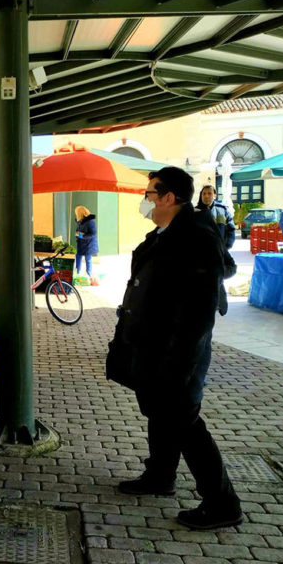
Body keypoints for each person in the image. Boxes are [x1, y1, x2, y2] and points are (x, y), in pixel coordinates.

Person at [106, 167, 242, 530]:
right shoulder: (168, 233)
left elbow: (197, 314)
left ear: (168, 198)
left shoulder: (194, 238)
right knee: (159, 412)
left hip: (178, 352)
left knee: (185, 423)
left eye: (150, 194)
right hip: (154, 347)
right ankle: (160, 476)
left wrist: (178, 364)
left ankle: (222, 503)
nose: (145, 201)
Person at [195, 185, 236, 249]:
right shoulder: (195, 212)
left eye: (209, 193)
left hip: (220, 250)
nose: (206, 196)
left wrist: (227, 246)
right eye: (204, 193)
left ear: (215, 195)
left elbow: (231, 228)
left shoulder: (223, 210)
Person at [74, 206, 98, 285]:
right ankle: (77, 272)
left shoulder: (90, 221)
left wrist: (82, 236)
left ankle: (89, 274)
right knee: (78, 256)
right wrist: (77, 233)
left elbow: (93, 233)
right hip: (81, 243)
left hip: (89, 244)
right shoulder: (80, 221)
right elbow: (78, 230)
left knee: (88, 258)